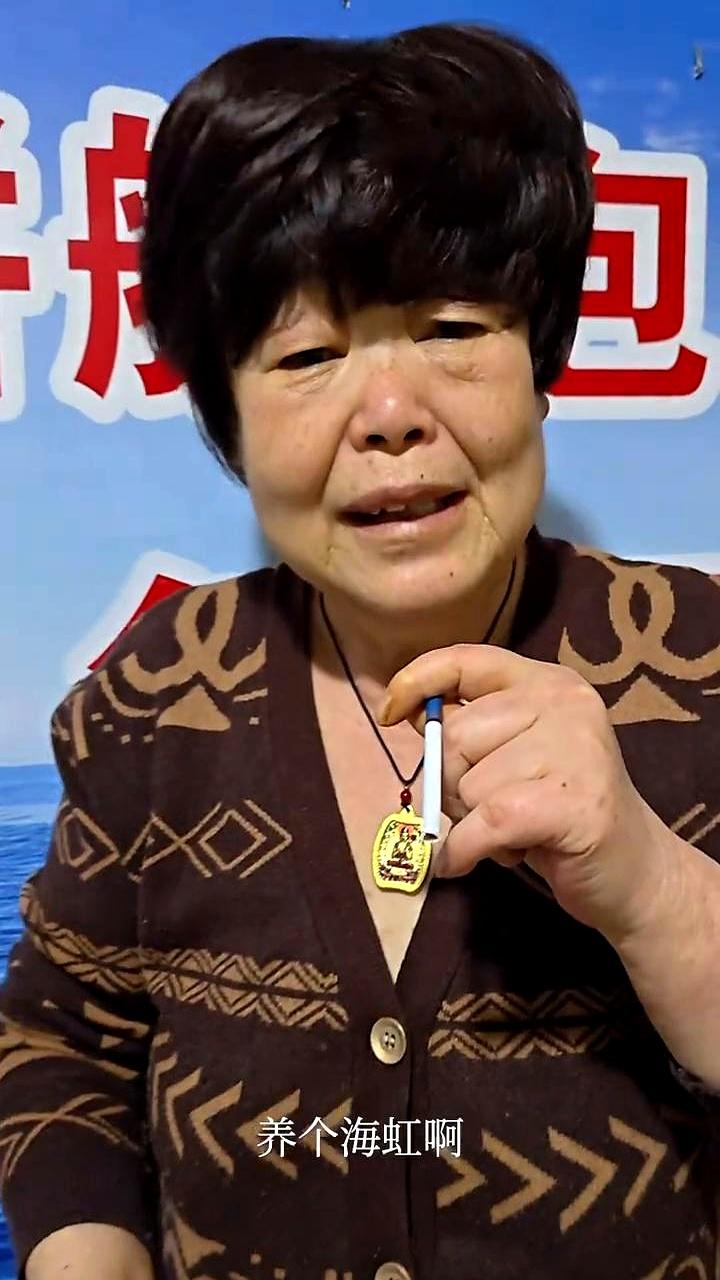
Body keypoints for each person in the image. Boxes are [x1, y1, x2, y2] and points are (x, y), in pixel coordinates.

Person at [3, 21, 720, 1280]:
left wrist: (652, 885)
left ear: (542, 360)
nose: (390, 413)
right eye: (307, 355)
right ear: (227, 417)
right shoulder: (151, 695)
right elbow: (63, 1042)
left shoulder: (703, 659)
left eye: (450, 327)